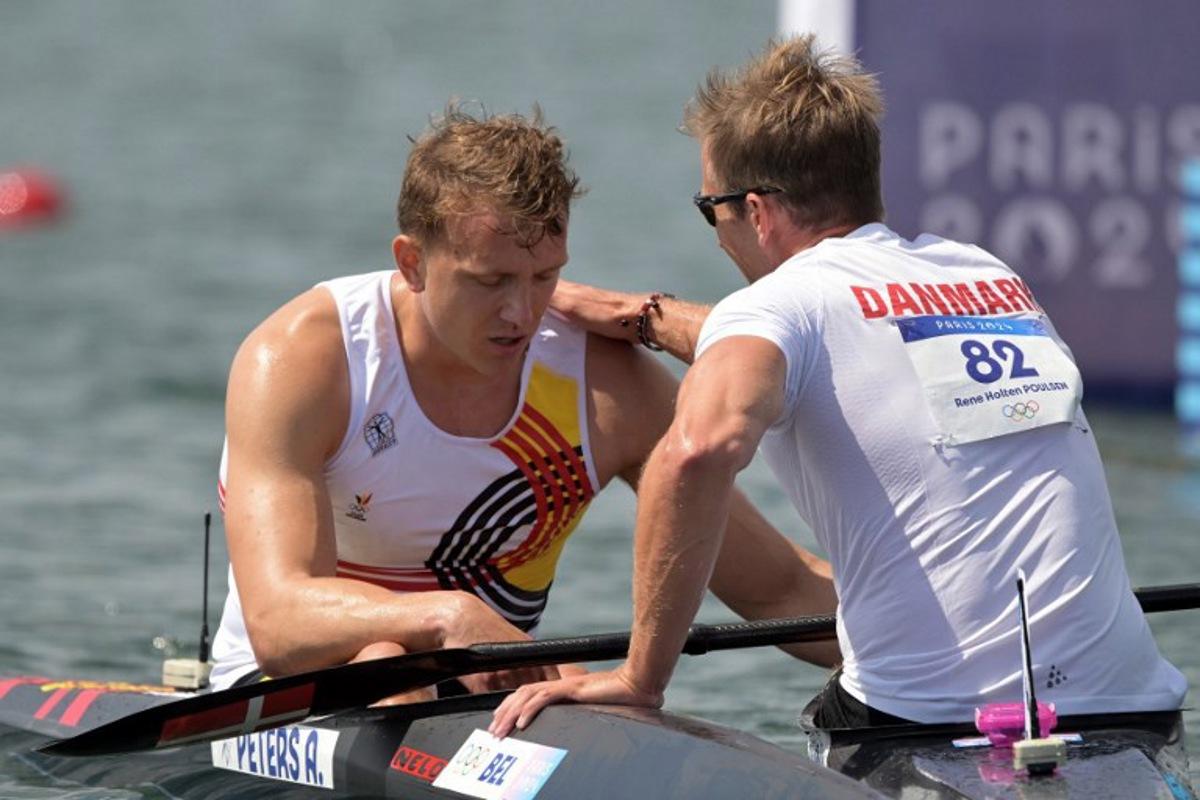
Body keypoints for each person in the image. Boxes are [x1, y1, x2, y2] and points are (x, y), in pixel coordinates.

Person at [490, 36, 1186, 736]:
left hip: (931, 723)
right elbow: (836, 347)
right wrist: (640, 316)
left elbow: (697, 451)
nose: (717, 234)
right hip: (1135, 703)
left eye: (713, 211)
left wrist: (639, 680)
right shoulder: (986, 277)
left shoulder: (777, 308)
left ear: (757, 212)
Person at [208, 104, 839, 698]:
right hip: (283, 688)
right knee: (386, 666)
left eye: (544, 277)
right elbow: (277, 622)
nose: (521, 313)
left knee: (582, 689)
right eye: (491, 281)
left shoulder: (603, 385)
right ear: (413, 263)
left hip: (482, 681)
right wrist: (451, 616)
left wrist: (927, 635)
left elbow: (779, 589)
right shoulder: (304, 359)